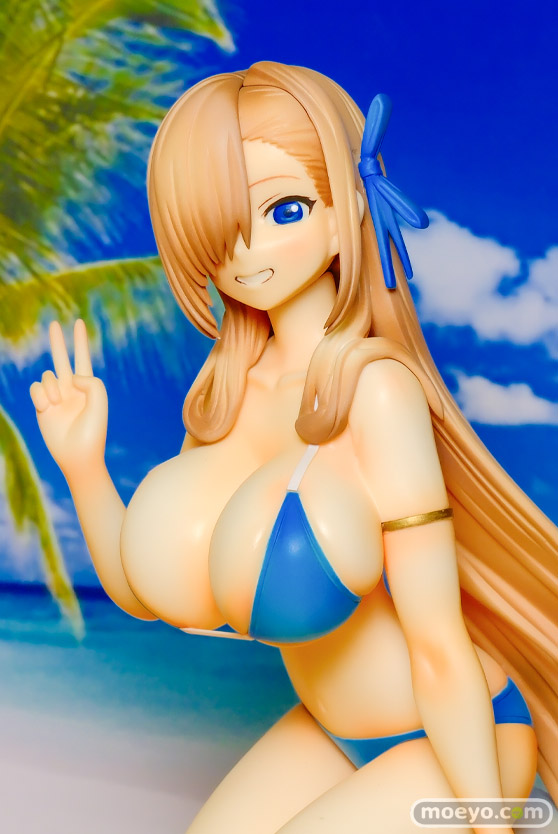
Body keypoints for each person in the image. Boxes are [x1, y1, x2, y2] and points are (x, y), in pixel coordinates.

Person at [30, 61, 557, 833]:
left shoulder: (375, 392)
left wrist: (488, 820)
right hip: (329, 732)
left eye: (284, 209)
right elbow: (145, 594)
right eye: (219, 224)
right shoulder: (226, 394)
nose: (247, 250)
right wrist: (82, 467)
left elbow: (438, 643)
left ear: (346, 213)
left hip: (455, 740)